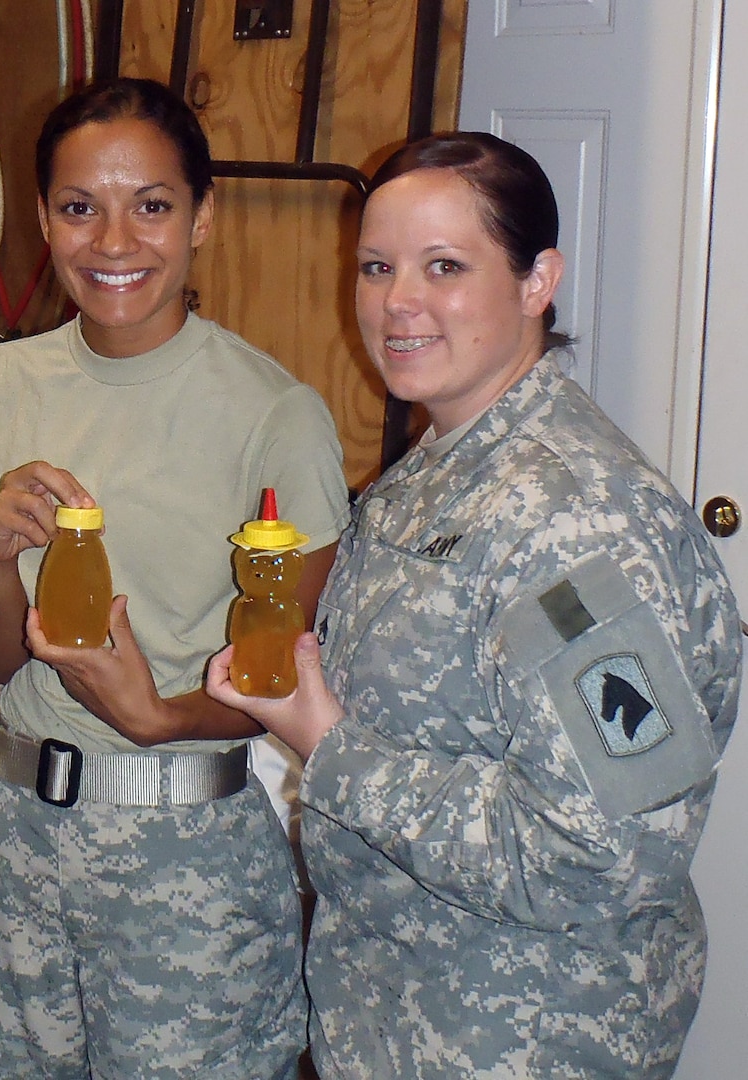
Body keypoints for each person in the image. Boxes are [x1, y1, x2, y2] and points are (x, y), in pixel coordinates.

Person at [207, 131, 742, 1079]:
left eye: (444, 267)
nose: (396, 303)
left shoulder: (576, 521)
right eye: (377, 267)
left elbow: (606, 852)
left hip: (526, 1034)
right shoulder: (437, 474)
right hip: (393, 1007)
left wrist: (331, 747)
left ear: (539, 280)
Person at [0, 77, 352, 1078]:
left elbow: (282, 683)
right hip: (14, 834)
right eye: (80, 207)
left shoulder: (274, 417)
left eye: (152, 205)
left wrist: (159, 714)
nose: (112, 240)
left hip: (184, 858)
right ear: (42, 218)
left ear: (201, 217)